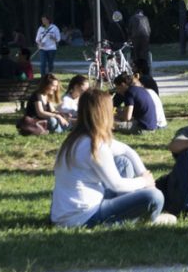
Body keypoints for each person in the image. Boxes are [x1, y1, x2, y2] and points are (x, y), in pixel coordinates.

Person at [50, 90, 173, 228]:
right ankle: (135, 221)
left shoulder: (74, 139)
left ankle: (129, 214)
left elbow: (127, 150)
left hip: (62, 215)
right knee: (155, 197)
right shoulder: (95, 145)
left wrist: (143, 174)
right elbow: (116, 185)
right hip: (85, 217)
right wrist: (144, 182)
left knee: (123, 162)